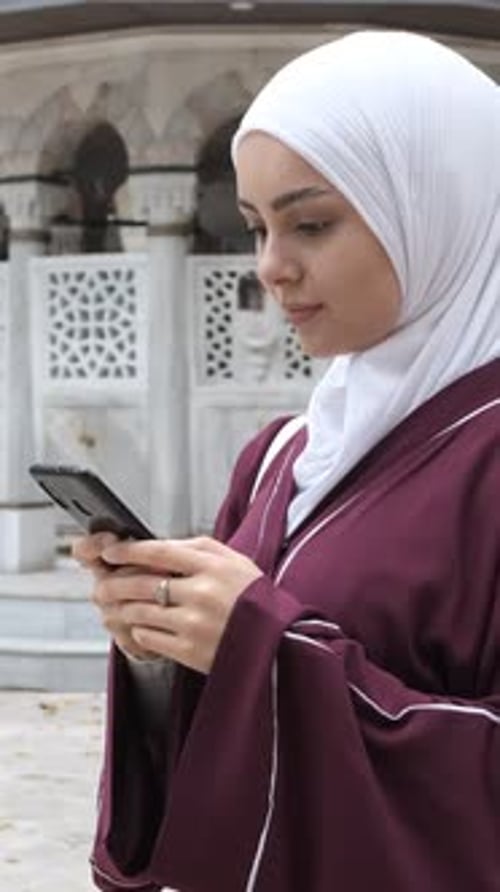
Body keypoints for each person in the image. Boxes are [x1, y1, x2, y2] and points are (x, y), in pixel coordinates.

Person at [74, 30, 500, 892]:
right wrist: (165, 641)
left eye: (311, 222)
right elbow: (224, 721)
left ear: (438, 202)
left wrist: (273, 651)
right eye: (258, 227)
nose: (271, 267)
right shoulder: (282, 455)